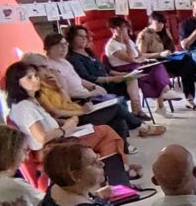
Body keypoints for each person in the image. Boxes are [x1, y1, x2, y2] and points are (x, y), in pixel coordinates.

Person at [4, 62, 140, 180]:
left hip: (59, 140)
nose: (36, 80)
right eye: (29, 78)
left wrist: (64, 123)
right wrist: (65, 129)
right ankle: (117, 174)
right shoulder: (24, 107)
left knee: (114, 124)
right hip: (53, 148)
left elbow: (48, 123)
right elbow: (42, 137)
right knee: (106, 132)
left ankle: (119, 169)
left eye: (36, 75)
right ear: (17, 83)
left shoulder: (30, 101)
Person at [24, 52, 160, 148]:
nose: (48, 70)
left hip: (78, 109)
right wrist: (82, 111)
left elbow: (66, 102)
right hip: (73, 118)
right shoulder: (37, 90)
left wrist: (59, 87)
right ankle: (141, 127)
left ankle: (122, 155)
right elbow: (55, 112)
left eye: (47, 66)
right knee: (117, 108)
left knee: (117, 119)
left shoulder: (49, 82)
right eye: (43, 67)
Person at [64, 24, 146, 117]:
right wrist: (113, 79)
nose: (84, 39)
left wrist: (123, 75)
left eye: (85, 36)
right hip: (98, 86)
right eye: (80, 36)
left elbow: (107, 70)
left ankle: (137, 111)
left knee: (132, 78)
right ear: (72, 38)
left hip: (109, 81)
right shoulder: (73, 58)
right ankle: (136, 113)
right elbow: (88, 78)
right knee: (129, 83)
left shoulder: (89, 52)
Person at [104, 17, 182, 110]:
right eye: (121, 28)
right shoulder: (112, 45)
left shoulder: (129, 41)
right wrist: (127, 44)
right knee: (151, 73)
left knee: (157, 65)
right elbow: (130, 58)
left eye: (125, 27)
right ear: (113, 29)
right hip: (125, 69)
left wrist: (138, 59)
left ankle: (165, 93)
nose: (124, 30)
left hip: (137, 64)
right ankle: (162, 101)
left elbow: (141, 54)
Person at [136, 11, 196, 108]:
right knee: (187, 63)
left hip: (168, 60)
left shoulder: (165, 31)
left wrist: (174, 52)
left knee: (186, 66)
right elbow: (141, 55)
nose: (160, 25)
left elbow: (172, 47)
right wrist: (160, 54)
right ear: (151, 22)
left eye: (162, 23)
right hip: (155, 63)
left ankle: (190, 99)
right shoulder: (144, 35)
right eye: (158, 23)